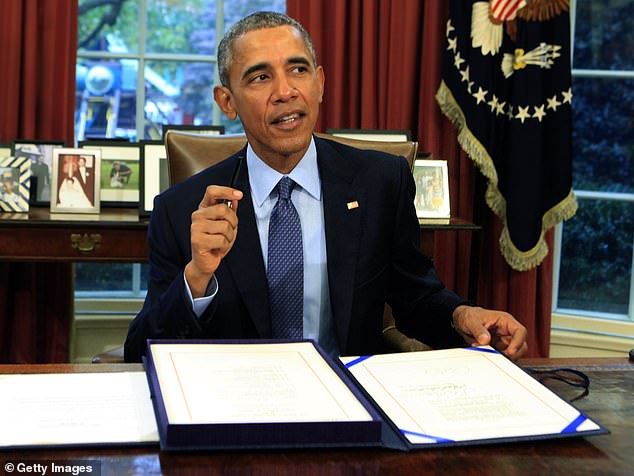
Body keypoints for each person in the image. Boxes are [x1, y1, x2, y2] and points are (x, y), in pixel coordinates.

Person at [124, 12, 528, 363]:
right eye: (261, 77)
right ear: (227, 101)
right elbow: (140, 351)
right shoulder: (181, 211)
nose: (285, 92)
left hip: (348, 400)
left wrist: (463, 316)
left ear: (319, 83)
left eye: (298, 70)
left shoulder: (380, 183)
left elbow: (416, 298)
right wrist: (196, 277)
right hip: (235, 408)